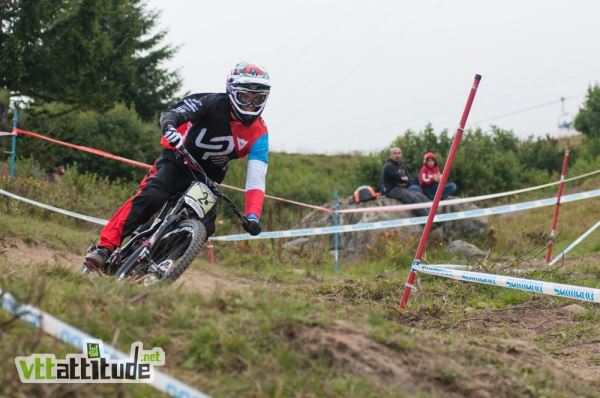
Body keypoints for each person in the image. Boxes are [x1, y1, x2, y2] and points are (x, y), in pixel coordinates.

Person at [84, 62, 271, 270]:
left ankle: (156, 260)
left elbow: (256, 179)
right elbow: (172, 114)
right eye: (246, 97)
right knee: (152, 196)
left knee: (206, 226)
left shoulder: (259, 133)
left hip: (207, 177)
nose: (251, 105)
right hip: (178, 159)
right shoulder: (209, 102)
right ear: (232, 92)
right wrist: (170, 128)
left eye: (258, 99)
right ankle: (104, 247)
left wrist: (253, 215)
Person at [381, 147, 430, 216]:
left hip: (402, 188)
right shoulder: (388, 166)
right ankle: (429, 219)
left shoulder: (402, 166)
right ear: (391, 155)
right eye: (394, 153)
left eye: (399, 153)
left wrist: (404, 181)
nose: (397, 155)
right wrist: (403, 179)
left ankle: (433, 215)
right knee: (414, 198)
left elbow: (409, 180)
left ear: (401, 155)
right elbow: (398, 177)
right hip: (392, 190)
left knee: (421, 197)